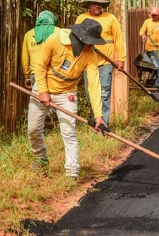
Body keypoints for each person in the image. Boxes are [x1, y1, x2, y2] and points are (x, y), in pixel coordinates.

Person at [28, 18, 107, 179]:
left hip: (67, 93)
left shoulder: (90, 55)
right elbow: (40, 65)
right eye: (88, 42)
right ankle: (41, 157)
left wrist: (98, 115)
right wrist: (43, 91)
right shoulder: (55, 40)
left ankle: (72, 172)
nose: (90, 46)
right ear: (79, 36)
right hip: (43, 88)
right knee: (34, 129)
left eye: (93, 43)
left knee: (69, 132)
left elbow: (93, 84)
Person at [76, 0, 126, 128]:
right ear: (89, 5)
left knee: (103, 93)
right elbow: (75, 38)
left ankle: (104, 123)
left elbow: (118, 39)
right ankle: (95, 122)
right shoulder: (81, 18)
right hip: (88, 62)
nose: (97, 6)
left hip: (105, 62)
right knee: (89, 94)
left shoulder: (110, 18)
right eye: (94, 3)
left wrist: (121, 59)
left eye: (99, 4)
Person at [22, 10, 60, 89]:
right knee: (55, 99)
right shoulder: (59, 32)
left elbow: (25, 58)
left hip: (36, 73)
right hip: (55, 73)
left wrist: (27, 76)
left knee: (38, 99)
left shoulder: (28, 34)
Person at [140, 7, 159, 94]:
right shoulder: (147, 22)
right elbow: (141, 31)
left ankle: (156, 85)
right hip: (151, 49)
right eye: (152, 15)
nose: (153, 17)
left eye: (155, 15)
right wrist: (143, 35)